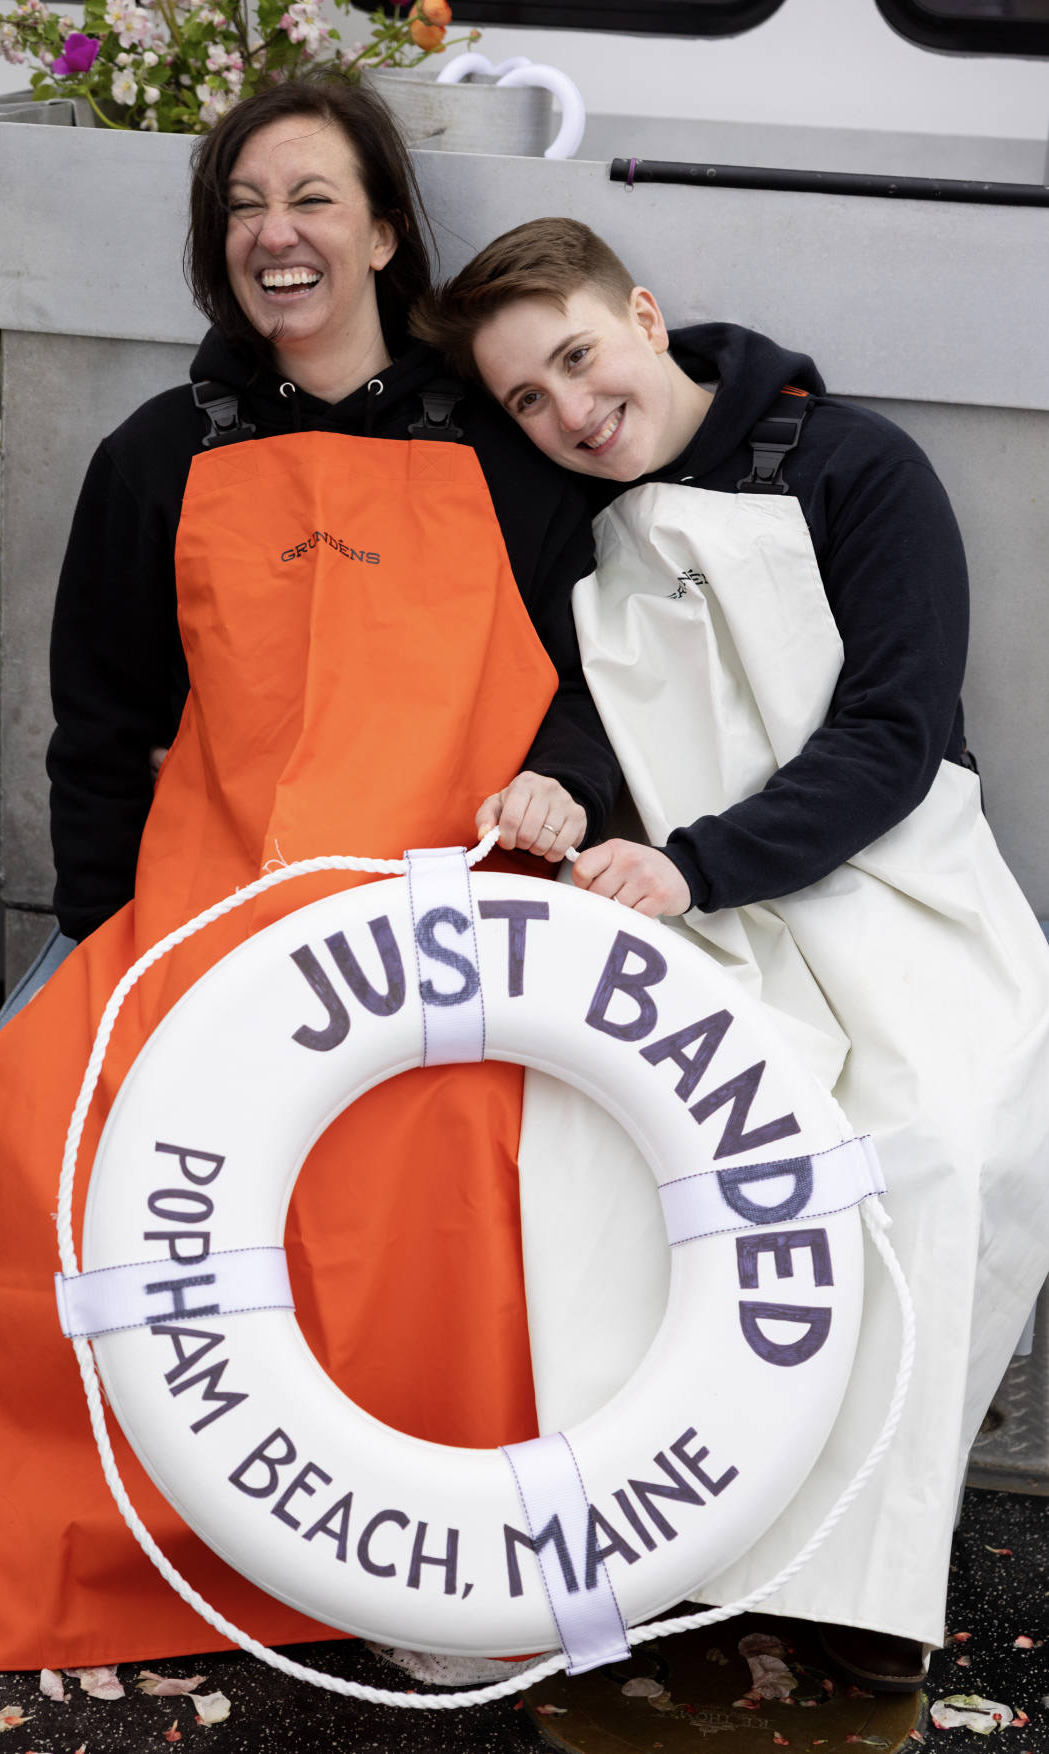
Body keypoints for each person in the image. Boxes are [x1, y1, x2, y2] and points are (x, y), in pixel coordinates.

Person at [0, 94, 621, 1672]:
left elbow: (601, 672)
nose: (274, 233)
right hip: (216, 902)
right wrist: (99, 933)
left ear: (385, 231)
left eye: (312, 198)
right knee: (64, 1078)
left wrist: (568, 788)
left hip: (449, 902)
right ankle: (144, 1522)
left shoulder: (506, 446)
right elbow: (101, 722)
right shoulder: (164, 452)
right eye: (241, 206)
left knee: (454, 1126)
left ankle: (433, 1544)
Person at [411, 217, 1049, 1692]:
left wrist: (697, 862)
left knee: (938, 1152)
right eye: (529, 399)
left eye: (581, 358)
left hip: (890, 887)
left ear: (644, 315)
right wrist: (560, 787)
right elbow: (591, 707)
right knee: (609, 1154)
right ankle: (652, 1557)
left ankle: (862, 1586)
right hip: (698, 915)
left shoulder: (858, 467)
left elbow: (893, 734)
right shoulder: (576, 521)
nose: (573, 412)